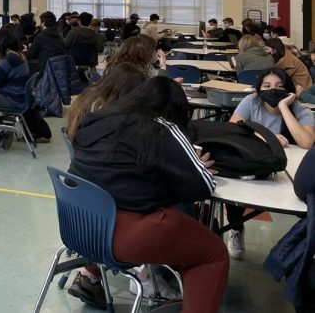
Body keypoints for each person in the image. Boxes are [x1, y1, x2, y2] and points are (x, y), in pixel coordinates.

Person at [69, 76, 226, 313]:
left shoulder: (96, 120)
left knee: (188, 234)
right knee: (214, 253)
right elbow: (202, 186)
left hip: (79, 226)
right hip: (126, 234)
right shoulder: (161, 127)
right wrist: (196, 165)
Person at [63, 63, 149, 306]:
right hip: (106, 197)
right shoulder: (113, 115)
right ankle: (148, 275)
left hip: (81, 198)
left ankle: (89, 273)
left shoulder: (87, 97)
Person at [226, 69, 315, 260]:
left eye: (279, 86)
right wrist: (268, 137)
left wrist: (284, 107)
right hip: (259, 164)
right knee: (236, 193)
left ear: (289, 90)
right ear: (259, 89)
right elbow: (233, 127)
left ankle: (300, 249)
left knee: (304, 206)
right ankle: (235, 228)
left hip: (291, 172)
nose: (272, 90)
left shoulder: (301, 109)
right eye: (266, 86)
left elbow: (306, 142)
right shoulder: (252, 101)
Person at [0, 32, 51, 147]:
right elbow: (2, 71)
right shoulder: (19, 56)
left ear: (1, 46)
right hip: (20, 97)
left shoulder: (9, 59)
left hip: (11, 99)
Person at [26, 11, 67, 76]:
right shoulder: (59, 36)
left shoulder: (41, 35)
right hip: (59, 69)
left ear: (43, 23)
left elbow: (31, 54)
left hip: (45, 69)